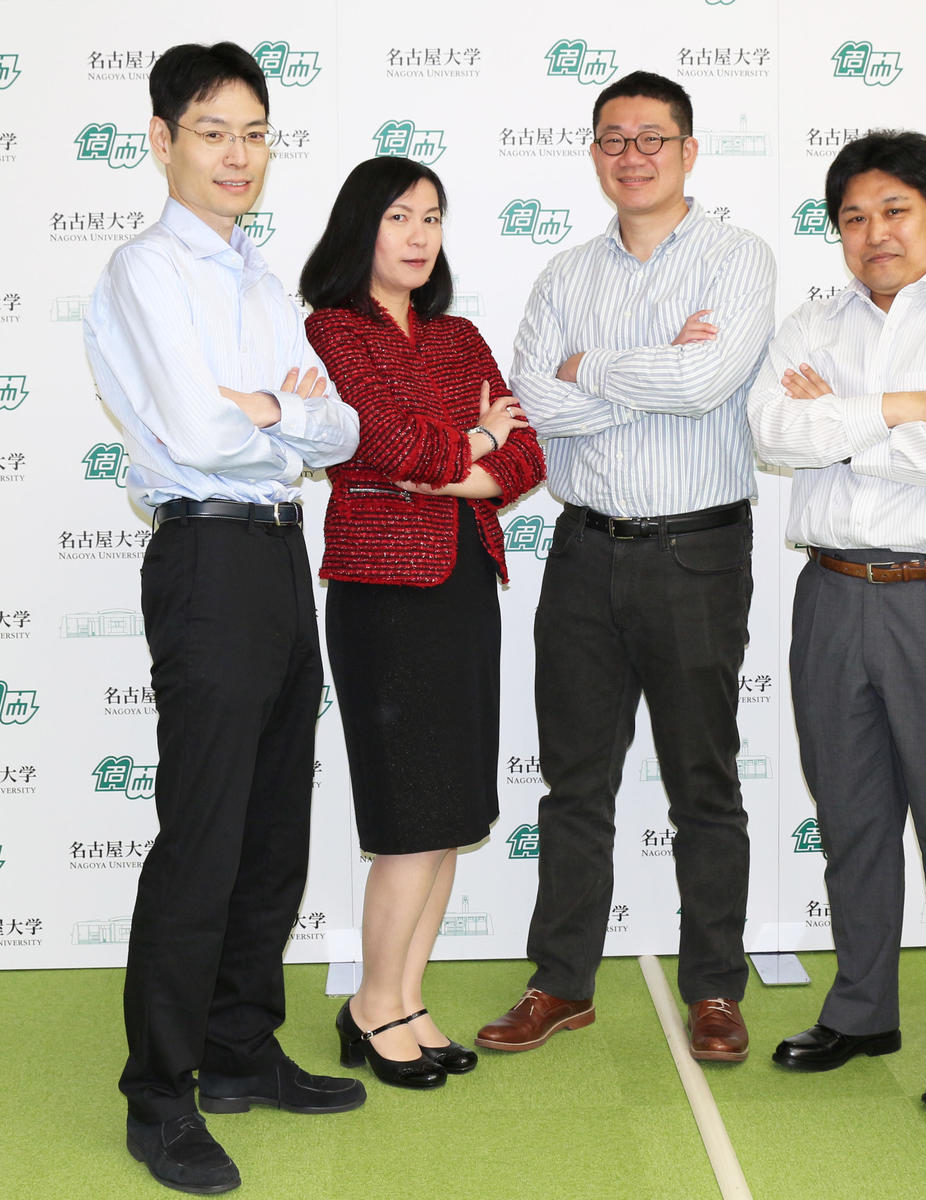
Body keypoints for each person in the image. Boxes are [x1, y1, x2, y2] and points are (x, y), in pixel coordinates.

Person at [83, 42, 363, 1194]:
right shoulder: (149, 272)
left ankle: (241, 1048)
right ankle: (160, 1093)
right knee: (202, 836)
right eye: (212, 131)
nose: (237, 153)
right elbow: (203, 440)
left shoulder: (258, 278)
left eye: (253, 131)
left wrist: (275, 416)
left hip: (276, 557)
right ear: (162, 141)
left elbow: (339, 431)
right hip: (204, 552)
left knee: (270, 829)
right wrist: (276, 419)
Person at [475, 71, 775, 1061]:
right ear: (594, 152)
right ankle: (560, 983)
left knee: (702, 780)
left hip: (696, 549)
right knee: (573, 782)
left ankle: (716, 991)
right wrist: (643, 373)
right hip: (583, 550)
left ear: (688, 152)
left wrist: (589, 369)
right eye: (612, 138)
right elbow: (531, 401)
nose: (632, 154)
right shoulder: (566, 275)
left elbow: (704, 383)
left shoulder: (738, 258)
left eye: (652, 137)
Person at [748, 130, 926, 1111]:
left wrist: (846, 417)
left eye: (894, 211)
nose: (873, 233)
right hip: (830, 593)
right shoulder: (807, 323)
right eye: (853, 217)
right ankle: (861, 1008)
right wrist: (898, 408)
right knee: (852, 823)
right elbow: (773, 433)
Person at [300, 157, 545, 1089]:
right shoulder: (334, 332)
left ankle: (405, 996)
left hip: (461, 584)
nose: (416, 235)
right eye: (398, 216)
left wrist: (470, 453)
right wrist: (472, 442)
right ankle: (370, 1006)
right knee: (406, 821)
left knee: (447, 816)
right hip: (382, 595)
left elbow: (524, 458)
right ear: (360, 226)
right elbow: (387, 443)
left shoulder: (458, 336)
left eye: (431, 218)